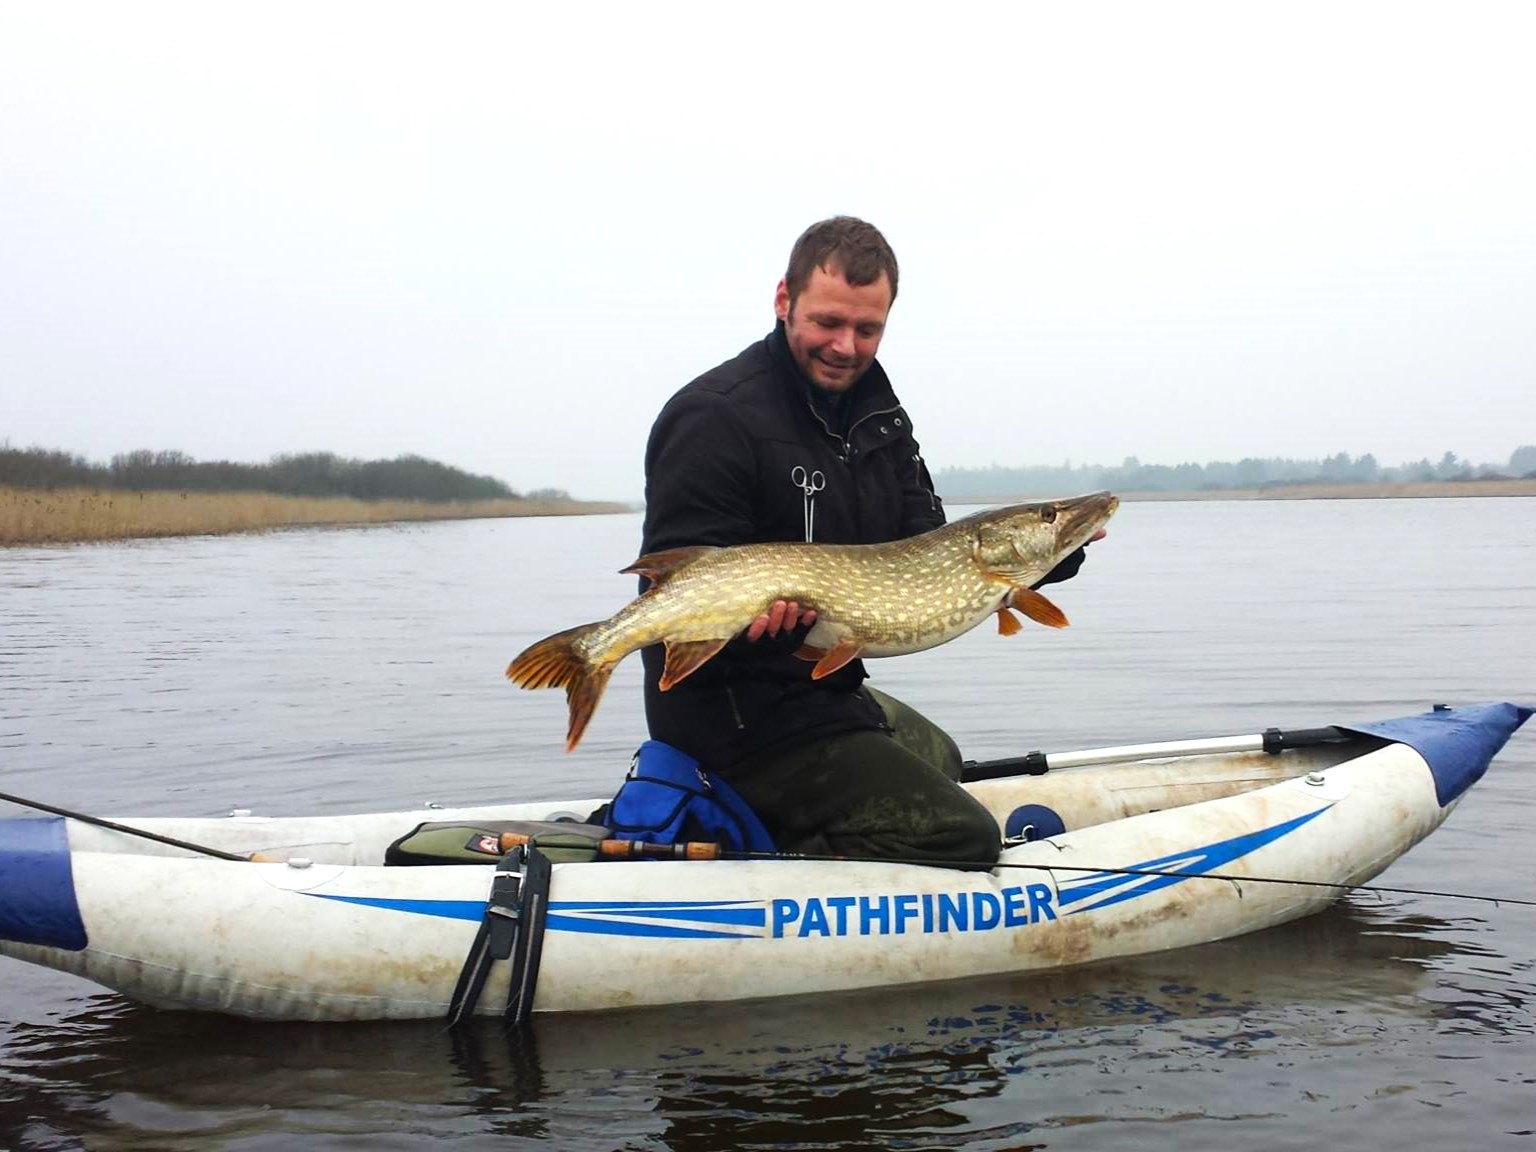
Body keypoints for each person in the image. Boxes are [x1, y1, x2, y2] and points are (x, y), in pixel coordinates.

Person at [637, 216, 1095, 869]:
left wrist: (1054, 551)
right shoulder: (715, 416)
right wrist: (753, 623)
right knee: (962, 837)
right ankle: (761, 848)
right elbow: (680, 580)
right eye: (827, 322)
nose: (846, 346)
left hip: (822, 691)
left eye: (867, 329)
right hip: (732, 719)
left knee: (943, 758)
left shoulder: (878, 415)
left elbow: (925, 542)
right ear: (782, 301)